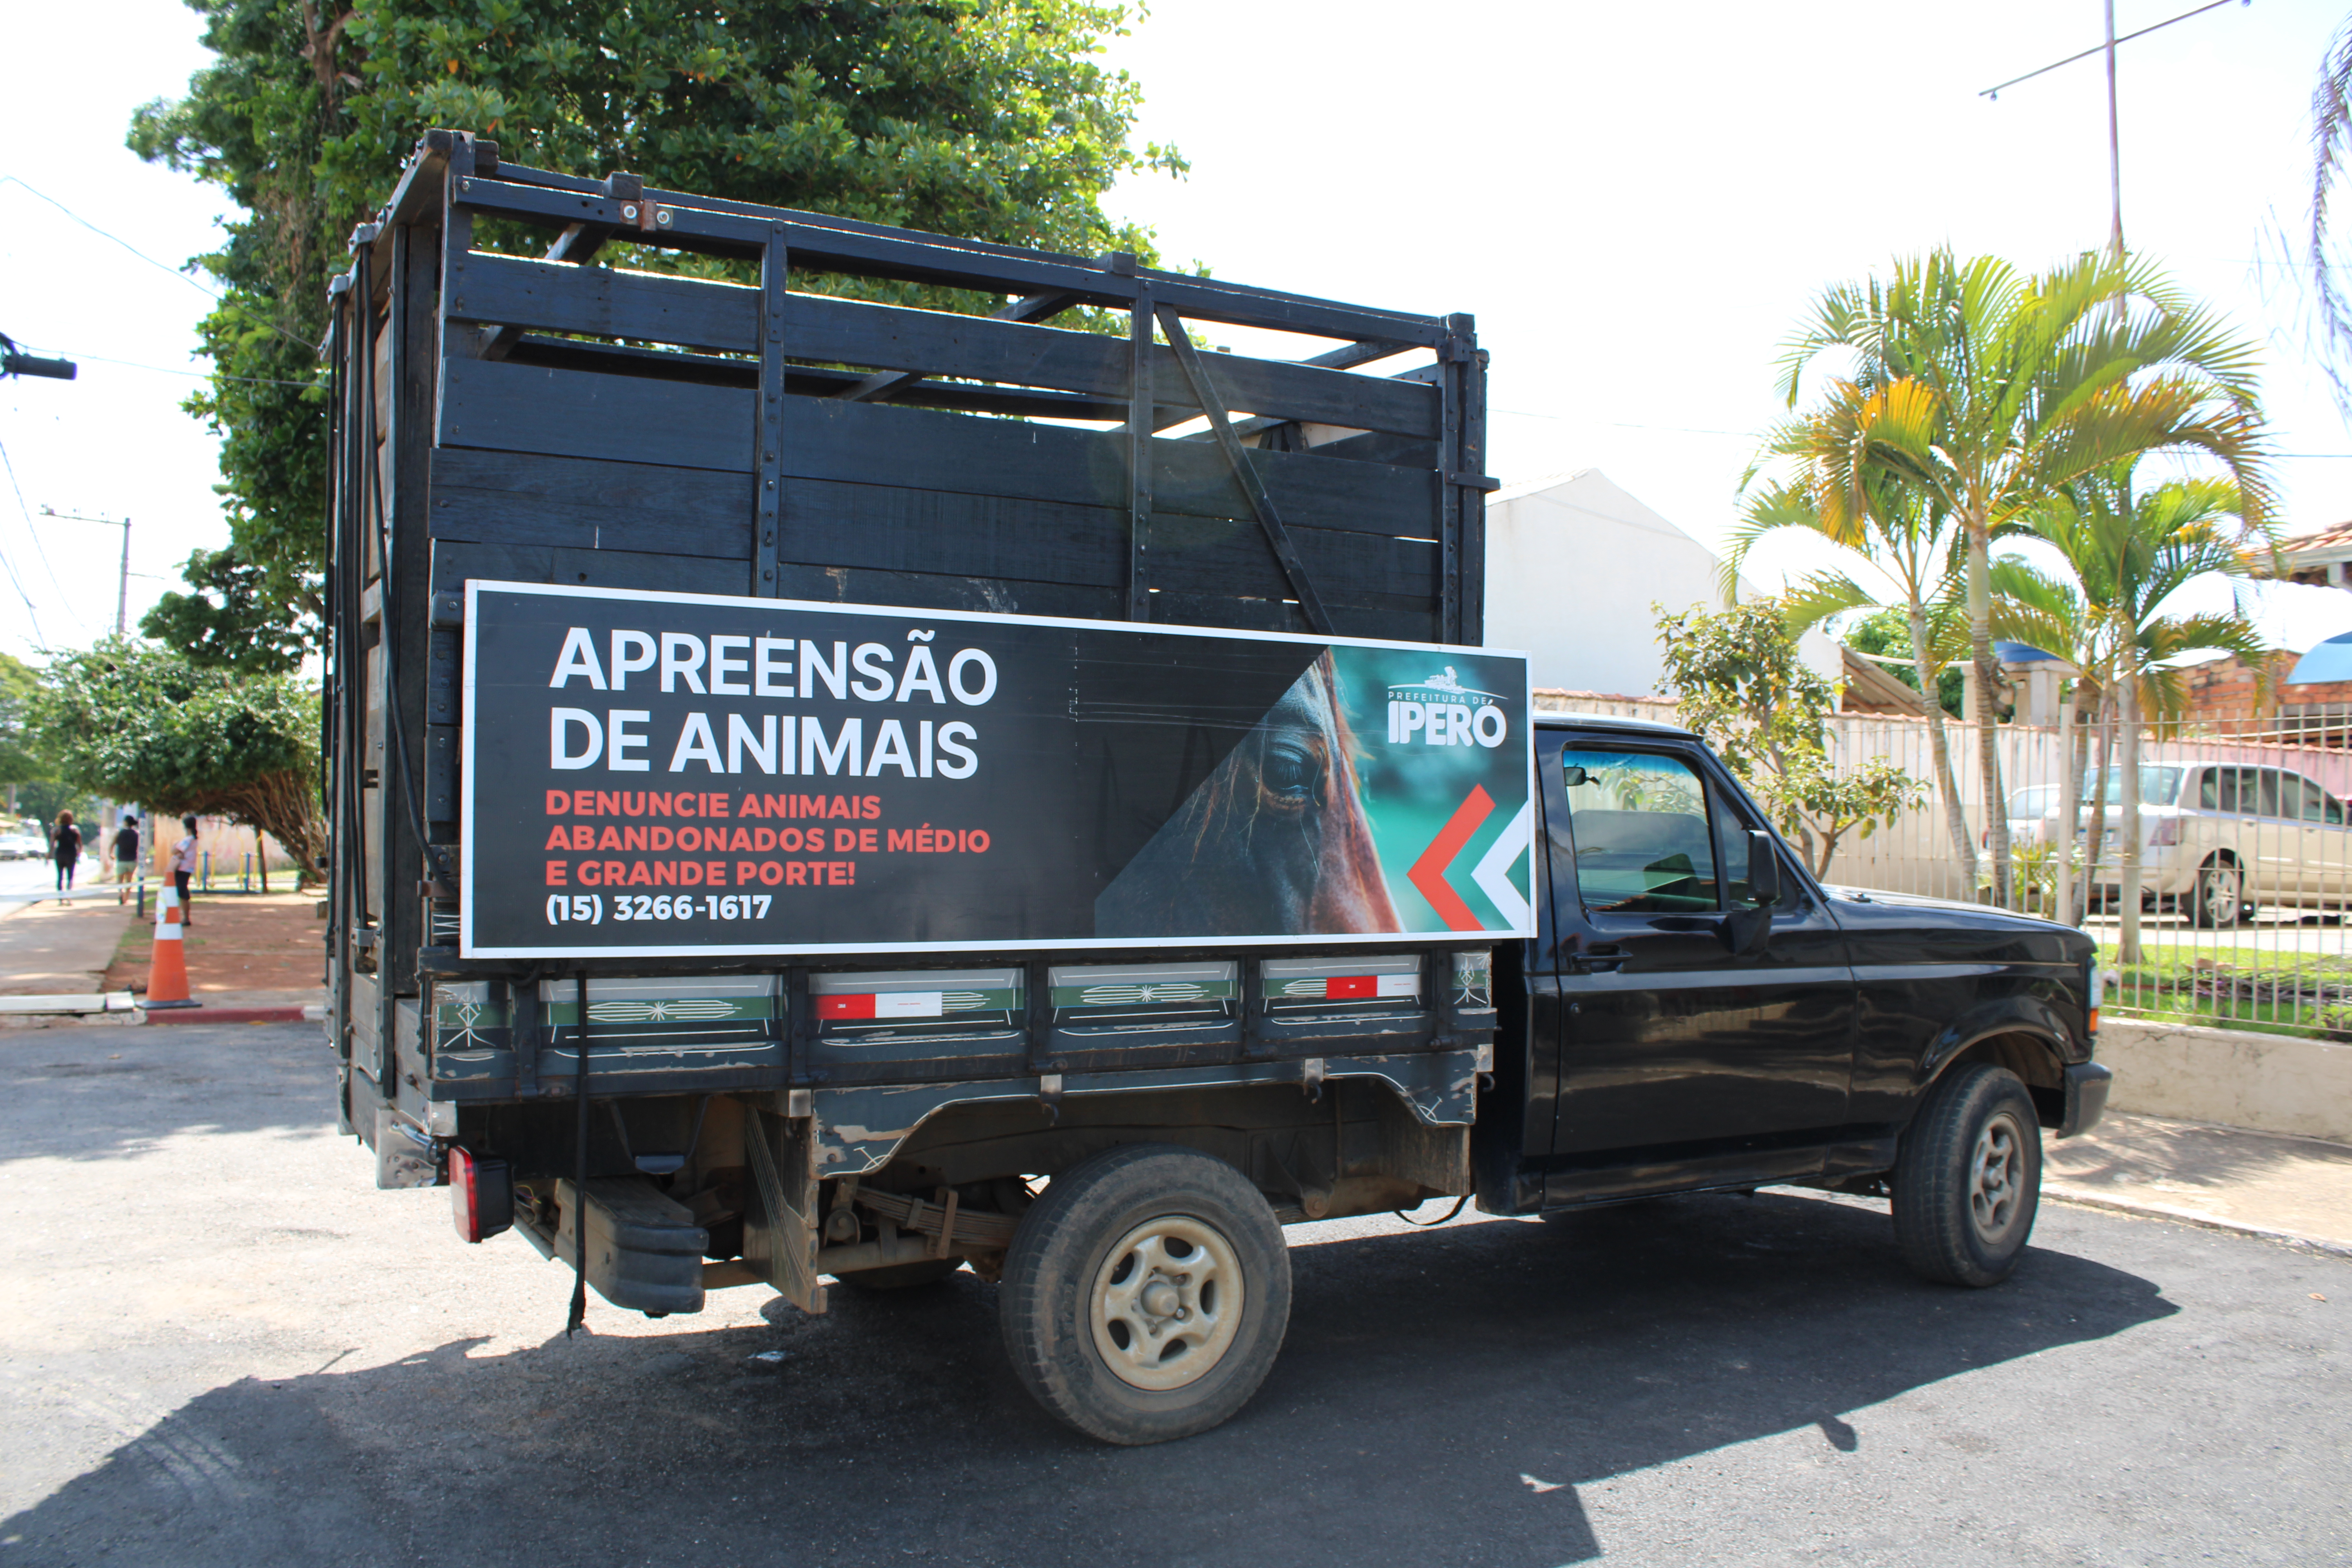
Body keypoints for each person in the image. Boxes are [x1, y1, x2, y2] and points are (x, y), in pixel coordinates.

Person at [172, 814, 200, 926]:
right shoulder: (194, 839)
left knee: (181, 892)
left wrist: (175, 845)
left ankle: (185, 918)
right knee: (181, 892)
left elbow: (175, 850)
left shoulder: (188, 840)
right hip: (188, 868)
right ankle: (185, 917)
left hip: (182, 868)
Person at [112, 814, 141, 905]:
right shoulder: (137, 834)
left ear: (125, 822)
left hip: (121, 860)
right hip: (133, 860)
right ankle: (126, 899)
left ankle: (121, 893)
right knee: (129, 881)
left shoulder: (119, 832)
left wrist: (111, 854)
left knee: (120, 879)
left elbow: (112, 844)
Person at [51, 810, 81, 892]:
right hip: (71, 854)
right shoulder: (75, 830)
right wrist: (79, 855)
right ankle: (69, 895)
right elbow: (79, 844)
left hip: (60, 854)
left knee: (60, 877)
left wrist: (49, 856)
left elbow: (52, 844)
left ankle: (61, 897)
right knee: (70, 877)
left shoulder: (57, 830)